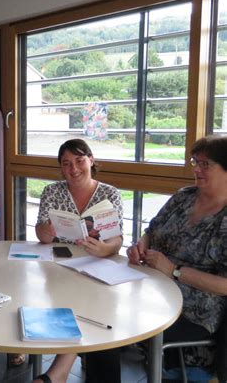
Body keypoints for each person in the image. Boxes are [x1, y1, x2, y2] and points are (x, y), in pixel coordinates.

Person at [127, 135, 227, 379]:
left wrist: (173, 270)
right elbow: (152, 230)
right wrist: (139, 246)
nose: (195, 168)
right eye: (195, 161)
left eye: (205, 164)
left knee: (119, 322)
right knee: (102, 306)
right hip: (150, 283)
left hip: (193, 307)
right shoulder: (184, 196)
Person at [34, 139, 123, 383]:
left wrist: (105, 249)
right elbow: (41, 234)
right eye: (66, 163)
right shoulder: (52, 192)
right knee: (75, 306)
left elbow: (117, 238)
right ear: (60, 168)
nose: (73, 168)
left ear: (91, 161)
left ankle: (58, 373)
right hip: (60, 267)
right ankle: (60, 370)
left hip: (99, 265)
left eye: (79, 161)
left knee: (98, 310)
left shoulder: (109, 193)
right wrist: (48, 231)